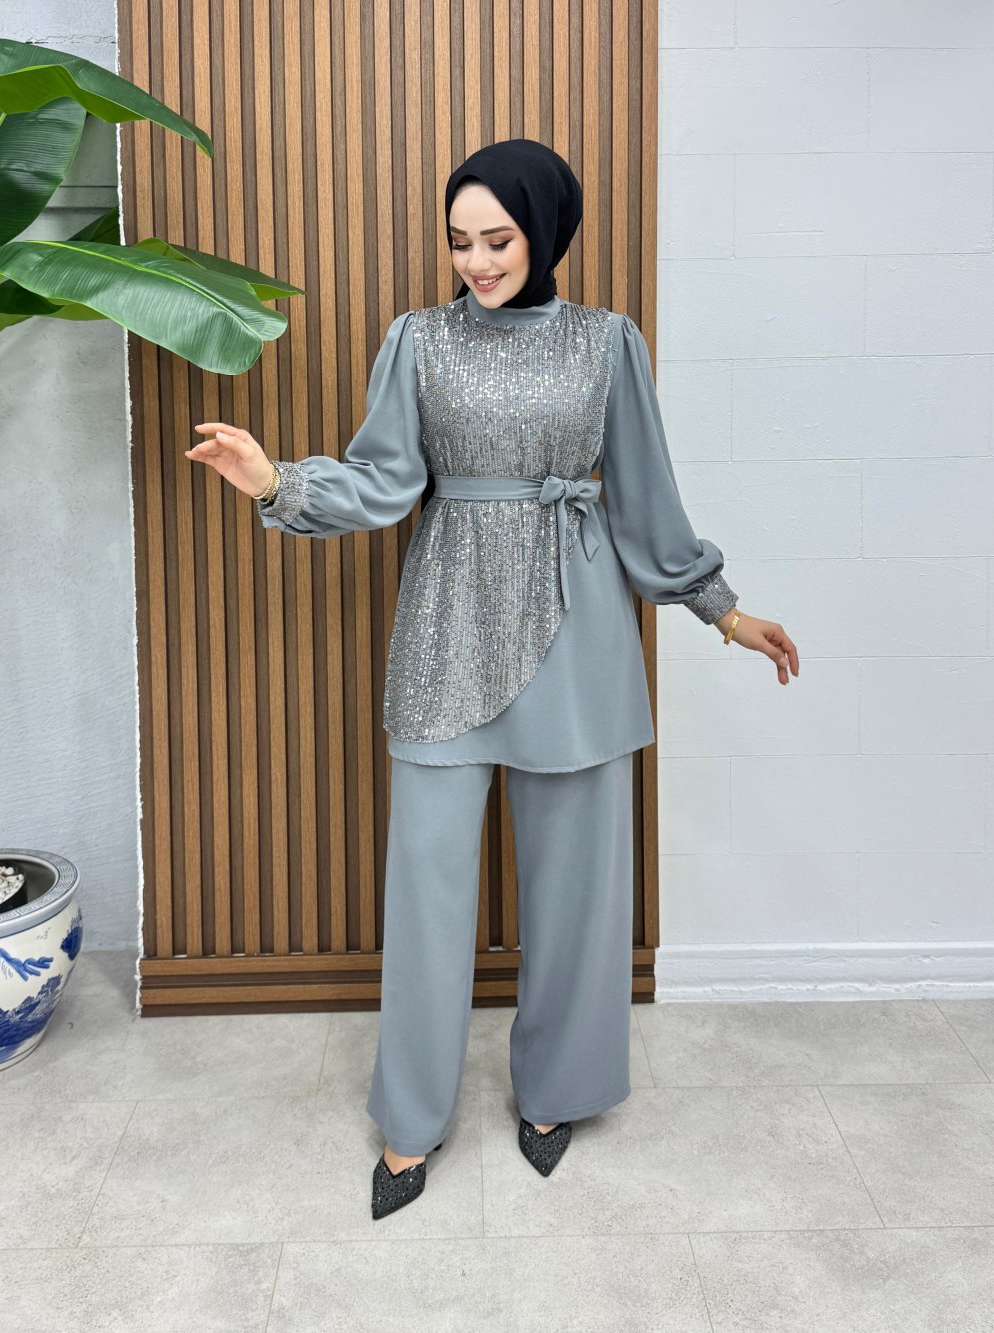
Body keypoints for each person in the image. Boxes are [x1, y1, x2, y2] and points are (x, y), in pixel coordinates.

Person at [185, 138, 799, 1221]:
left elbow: (644, 498)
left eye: (499, 240)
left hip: (578, 623)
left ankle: (556, 1091)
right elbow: (385, 480)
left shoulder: (608, 343)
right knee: (426, 883)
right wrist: (276, 480)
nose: (476, 261)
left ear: (544, 232)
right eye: (460, 241)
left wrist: (721, 609)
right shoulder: (417, 341)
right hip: (447, 624)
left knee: (575, 888)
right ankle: (410, 1117)